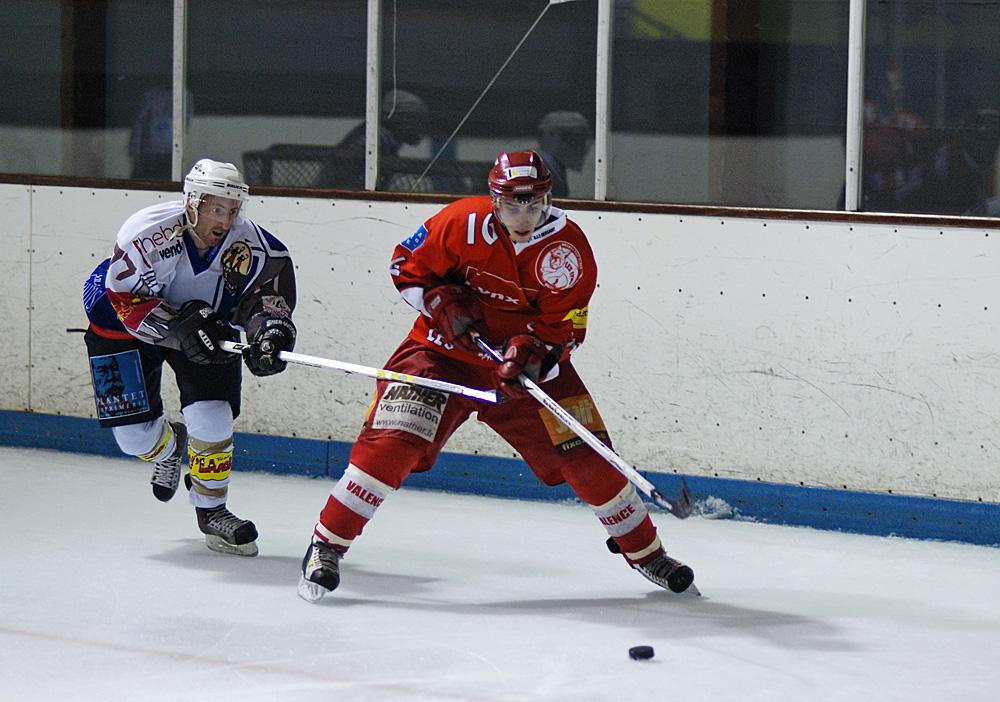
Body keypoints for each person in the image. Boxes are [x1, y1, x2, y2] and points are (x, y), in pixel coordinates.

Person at [298, 150, 694, 602]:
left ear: (547, 200)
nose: (523, 216)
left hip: (524, 373)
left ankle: (646, 553)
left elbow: (567, 330)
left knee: (591, 460)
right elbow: (404, 265)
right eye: (512, 205)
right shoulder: (460, 222)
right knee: (391, 445)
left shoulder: (568, 252)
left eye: (534, 204)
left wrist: (531, 357)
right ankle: (326, 545)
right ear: (494, 199)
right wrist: (438, 305)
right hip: (439, 354)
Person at [82, 159, 298, 557]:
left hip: (206, 326)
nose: (226, 220)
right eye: (217, 209)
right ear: (193, 204)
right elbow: (122, 298)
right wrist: (178, 327)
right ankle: (167, 449)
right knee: (134, 439)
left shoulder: (251, 246)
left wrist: (269, 329)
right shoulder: (146, 233)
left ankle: (212, 511)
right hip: (121, 322)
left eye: (233, 210)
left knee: (213, 416)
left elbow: (269, 294)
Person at [316, 89, 430, 189]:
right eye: (416, 122)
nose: (419, 130)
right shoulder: (372, 141)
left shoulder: (377, 138)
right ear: (402, 119)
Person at [129, 86, 193, 180]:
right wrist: (135, 152)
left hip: (170, 156)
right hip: (149, 156)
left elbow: (185, 123)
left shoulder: (185, 96)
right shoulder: (151, 95)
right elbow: (140, 122)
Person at [536, 111, 591, 198]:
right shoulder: (541, 170)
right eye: (575, 137)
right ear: (551, 135)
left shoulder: (553, 169)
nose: (583, 147)